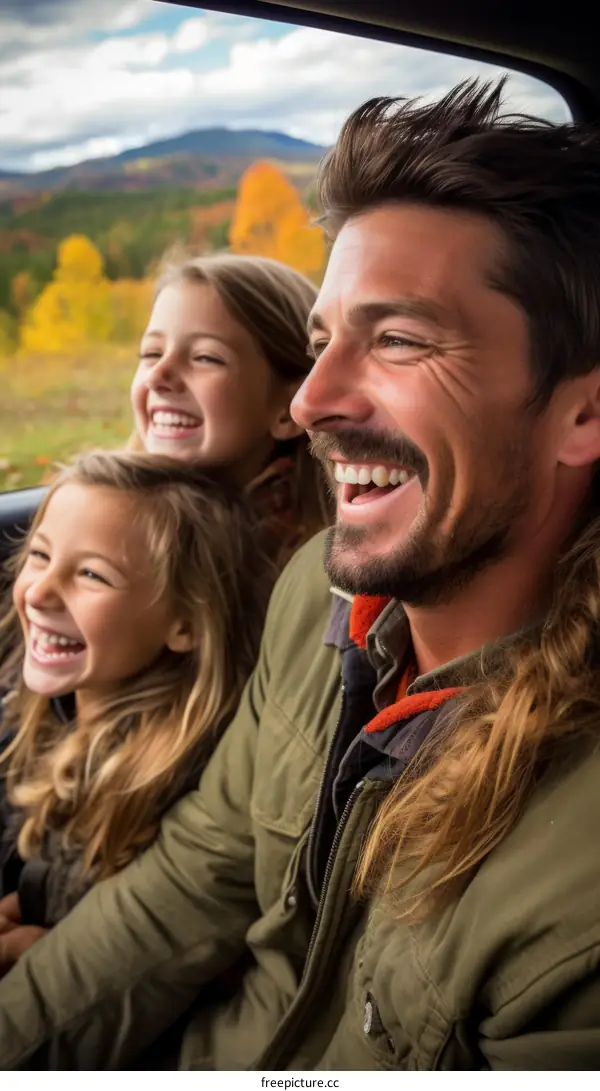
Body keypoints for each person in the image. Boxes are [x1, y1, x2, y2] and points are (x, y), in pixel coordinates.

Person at [3, 76, 600, 1071]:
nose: (316, 399)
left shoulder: (577, 869)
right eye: (321, 342)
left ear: (582, 412)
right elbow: (197, 879)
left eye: (401, 339)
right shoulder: (314, 602)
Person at [0, 450, 271, 973]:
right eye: (38, 555)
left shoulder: (165, 785)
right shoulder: (54, 718)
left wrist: (34, 951)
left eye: (92, 576)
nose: (39, 590)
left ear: (186, 624)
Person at [130, 252, 333, 567]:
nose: (157, 376)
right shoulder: (111, 518)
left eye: (205, 357)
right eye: (151, 353)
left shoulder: (309, 567)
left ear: (288, 408)